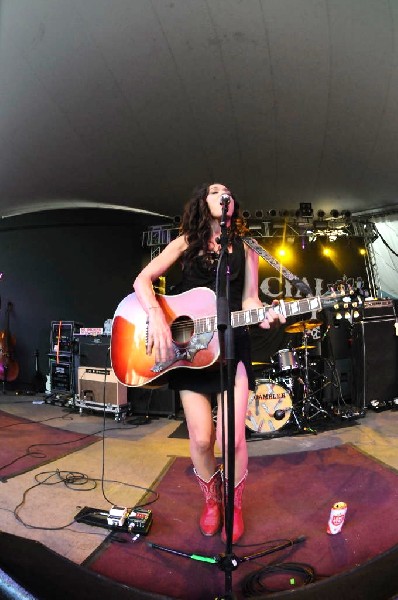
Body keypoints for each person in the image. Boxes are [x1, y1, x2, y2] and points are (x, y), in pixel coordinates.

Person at [133, 182, 286, 544]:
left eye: (229, 192)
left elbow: (248, 298)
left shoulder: (246, 247)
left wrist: (261, 312)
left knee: (231, 440)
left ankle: (234, 504)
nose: (224, 195)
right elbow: (143, 280)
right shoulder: (185, 242)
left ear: (233, 205)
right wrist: (155, 313)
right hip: (191, 354)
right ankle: (212, 500)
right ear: (204, 202)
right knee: (202, 439)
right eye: (216, 191)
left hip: (233, 345)